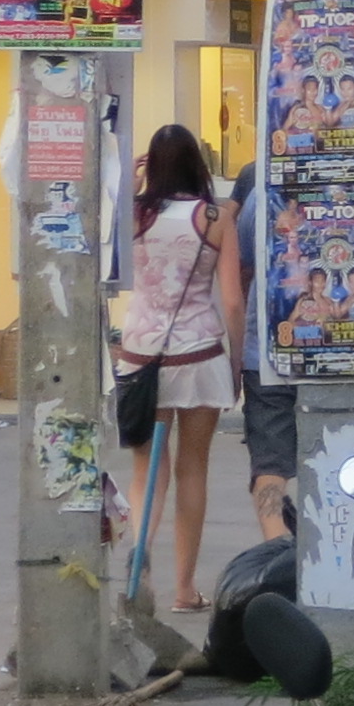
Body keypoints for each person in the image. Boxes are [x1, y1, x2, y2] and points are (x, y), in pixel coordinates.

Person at [122, 123, 240, 611]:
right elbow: (232, 301)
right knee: (194, 469)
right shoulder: (215, 217)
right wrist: (236, 365)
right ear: (198, 163)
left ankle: (139, 555)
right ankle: (184, 589)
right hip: (198, 354)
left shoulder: (132, 215)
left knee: (146, 469)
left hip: (139, 354)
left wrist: (129, 186)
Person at [229, 159, 291, 539]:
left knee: (269, 463)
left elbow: (243, 270)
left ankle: (276, 546)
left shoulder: (259, 197)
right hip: (338, 355)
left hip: (265, 351)